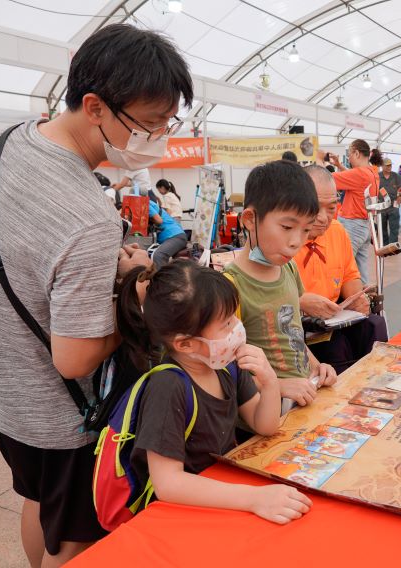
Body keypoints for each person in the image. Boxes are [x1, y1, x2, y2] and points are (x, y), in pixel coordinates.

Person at [0, 23, 191, 567]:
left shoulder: (2, 146)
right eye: (150, 124)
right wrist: (134, 293)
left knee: (37, 499)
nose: (157, 139)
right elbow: (74, 356)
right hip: (59, 412)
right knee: (81, 538)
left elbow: (17, 256)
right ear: (94, 106)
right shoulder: (87, 218)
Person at [116, 260, 312, 524]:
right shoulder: (168, 386)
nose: (237, 329)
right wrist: (254, 499)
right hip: (184, 513)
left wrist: (269, 382)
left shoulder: (226, 365)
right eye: (226, 324)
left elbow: (264, 425)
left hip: (224, 494)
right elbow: (168, 484)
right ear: (185, 344)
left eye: (234, 318)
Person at [223, 160, 337, 408]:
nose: (297, 241)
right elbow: (224, 373)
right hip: (266, 412)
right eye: (287, 227)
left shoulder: (288, 269)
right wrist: (276, 385)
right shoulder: (229, 287)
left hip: (303, 398)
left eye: (306, 230)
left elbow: (293, 338)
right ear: (250, 219)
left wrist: (318, 368)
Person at [295, 166, 388, 373]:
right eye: (315, 207)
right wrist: (300, 301)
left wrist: (358, 300)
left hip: (334, 317)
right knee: (336, 346)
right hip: (302, 322)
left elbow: (349, 276)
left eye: (331, 208)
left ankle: (377, 380)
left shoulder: (337, 231)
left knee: (374, 325)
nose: (323, 217)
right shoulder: (287, 240)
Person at [325, 140, 382, 283]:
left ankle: (342, 299)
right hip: (364, 226)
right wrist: (338, 165)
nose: (348, 158)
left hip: (352, 225)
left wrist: (320, 161)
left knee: (340, 266)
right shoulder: (372, 172)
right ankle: (364, 299)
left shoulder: (360, 174)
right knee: (361, 270)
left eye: (349, 154)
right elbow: (352, 177)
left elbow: (326, 180)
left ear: (356, 153)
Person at [148, 197, 187, 268]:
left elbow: (159, 220)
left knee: (158, 256)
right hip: (176, 235)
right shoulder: (151, 203)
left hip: (175, 236)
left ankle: (162, 278)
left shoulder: (146, 204)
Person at [378, 157, 401, 245]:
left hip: (393, 205)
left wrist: (400, 195)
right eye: (387, 166)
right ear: (382, 166)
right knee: (382, 228)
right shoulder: (377, 176)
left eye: (390, 165)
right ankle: (385, 246)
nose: (389, 167)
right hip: (382, 205)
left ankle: (393, 245)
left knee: (394, 227)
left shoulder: (395, 175)